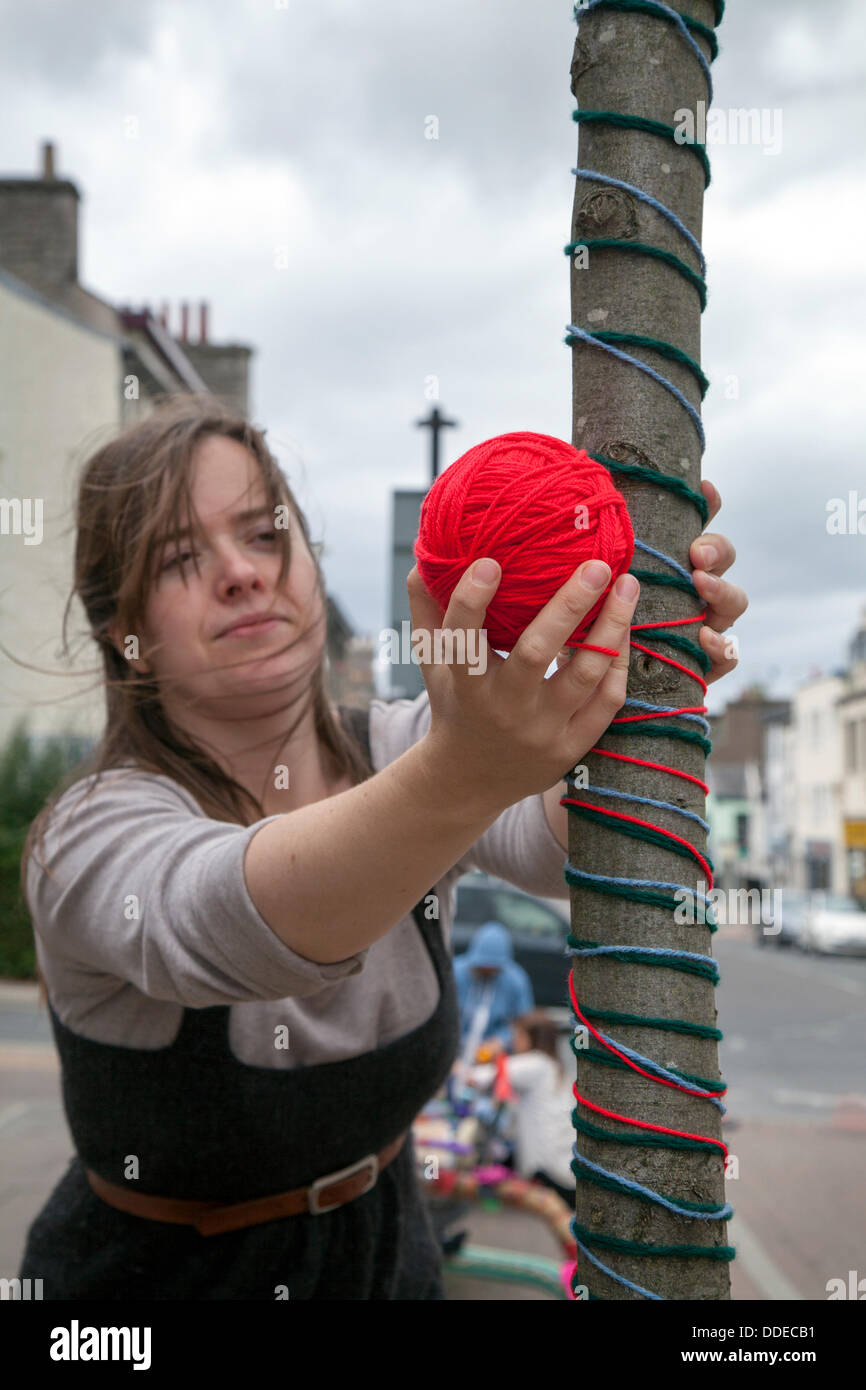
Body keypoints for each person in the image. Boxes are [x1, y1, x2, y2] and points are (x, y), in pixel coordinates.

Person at [16, 394, 747, 1300]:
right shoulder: (89, 829)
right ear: (115, 625)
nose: (243, 574)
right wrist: (463, 774)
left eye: (264, 533)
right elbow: (233, 921)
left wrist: (632, 683)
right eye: (179, 560)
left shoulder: (403, 746)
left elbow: (569, 842)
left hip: (393, 1263)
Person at [467, 1010, 576, 1204]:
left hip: (547, 1170)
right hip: (561, 1165)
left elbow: (479, 1078)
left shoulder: (535, 1064)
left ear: (531, 1038)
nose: (513, 1041)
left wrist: (460, 1066)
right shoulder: (554, 1066)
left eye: (517, 1035)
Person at [452, 921, 534, 1057]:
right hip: (455, 1047)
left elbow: (523, 1022)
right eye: (483, 966)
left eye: (493, 968)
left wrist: (502, 1040)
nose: (487, 970)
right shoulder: (455, 973)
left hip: (494, 1053)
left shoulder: (515, 979)